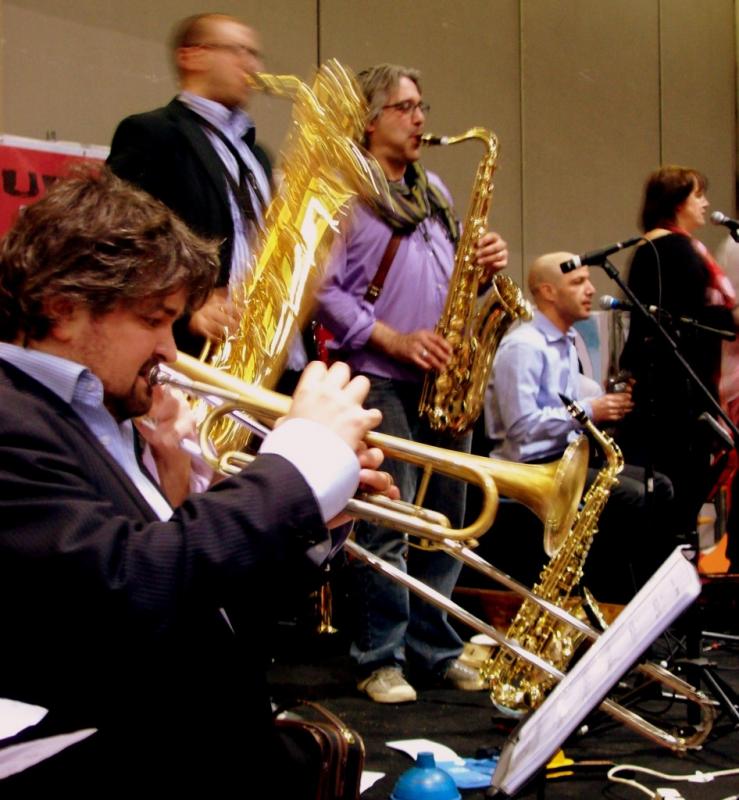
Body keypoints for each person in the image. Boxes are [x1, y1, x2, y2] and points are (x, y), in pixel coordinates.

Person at [0, 168, 396, 794]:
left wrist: (311, 521)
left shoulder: (105, 412)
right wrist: (294, 472)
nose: (170, 350)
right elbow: (130, 584)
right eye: (153, 319)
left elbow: (202, 606)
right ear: (63, 308)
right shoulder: (11, 418)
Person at [316, 63, 509, 703]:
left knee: (448, 522)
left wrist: (482, 272)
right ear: (369, 120)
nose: (420, 118)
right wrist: (394, 339)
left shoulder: (436, 193)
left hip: (443, 380)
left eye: (422, 105)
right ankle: (381, 657)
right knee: (388, 520)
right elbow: (324, 293)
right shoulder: (343, 193)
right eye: (405, 107)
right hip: (379, 375)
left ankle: (434, 649)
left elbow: (450, 286)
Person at [485, 252, 674, 601]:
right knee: (629, 497)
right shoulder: (524, 346)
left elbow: (568, 410)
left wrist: (605, 410)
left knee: (658, 486)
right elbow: (522, 427)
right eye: (577, 282)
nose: (590, 290)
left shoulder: (565, 345)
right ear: (548, 292)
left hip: (565, 460)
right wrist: (591, 411)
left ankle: (648, 602)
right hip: (531, 467)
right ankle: (608, 601)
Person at [107, 12, 270, 356]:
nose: (253, 66)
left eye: (255, 54)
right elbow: (120, 245)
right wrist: (187, 311)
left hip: (267, 345)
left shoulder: (258, 155)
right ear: (192, 56)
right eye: (238, 51)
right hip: (197, 349)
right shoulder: (151, 133)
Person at [618, 166, 736, 542]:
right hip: (677, 398)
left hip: (672, 391)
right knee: (679, 497)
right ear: (676, 202)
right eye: (697, 195)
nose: (706, 203)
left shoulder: (661, 247)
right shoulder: (672, 249)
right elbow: (694, 318)